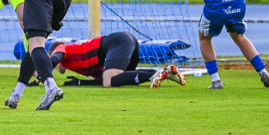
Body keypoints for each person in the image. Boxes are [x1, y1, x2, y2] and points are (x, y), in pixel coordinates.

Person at [48, 31, 186, 88]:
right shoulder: (77, 65)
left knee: (110, 79)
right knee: (117, 79)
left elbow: (55, 59)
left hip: (119, 41)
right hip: (126, 40)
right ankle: (165, 72)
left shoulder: (62, 47)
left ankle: (154, 75)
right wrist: (79, 82)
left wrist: (41, 77)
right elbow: (100, 81)